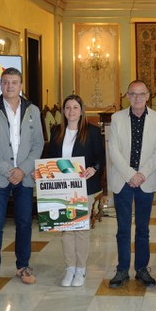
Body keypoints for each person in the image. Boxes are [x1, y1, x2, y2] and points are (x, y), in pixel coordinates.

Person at [0, 67, 45, 289]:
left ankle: (23, 266)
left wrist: (22, 170)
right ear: (0, 85)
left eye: (14, 82)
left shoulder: (33, 110)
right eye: (6, 82)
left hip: (24, 178)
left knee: (24, 224)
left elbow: (38, 144)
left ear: (21, 85)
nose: (10, 86)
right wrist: (10, 171)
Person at [107, 80, 156, 288]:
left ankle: (142, 269)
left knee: (143, 229)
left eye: (141, 94)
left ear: (148, 96)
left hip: (146, 181)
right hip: (122, 180)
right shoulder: (117, 118)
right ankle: (122, 270)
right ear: (127, 96)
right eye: (133, 94)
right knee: (123, 228)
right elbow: (113, 150)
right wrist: (131, 174)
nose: (137, 98)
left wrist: (141, 174)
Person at [42, 95, 104, 287]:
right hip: (62, 188)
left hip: (84, 186)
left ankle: (81, 269)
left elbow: (100, 157)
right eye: (67, 107)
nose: (71, 111)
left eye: (75, 107)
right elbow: (50, 158)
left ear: (81, 110)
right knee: (67, 229)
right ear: (63, 111)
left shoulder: (92, 131)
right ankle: (70, 268)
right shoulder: (56, 131)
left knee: (81, 229)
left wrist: (94, 168)